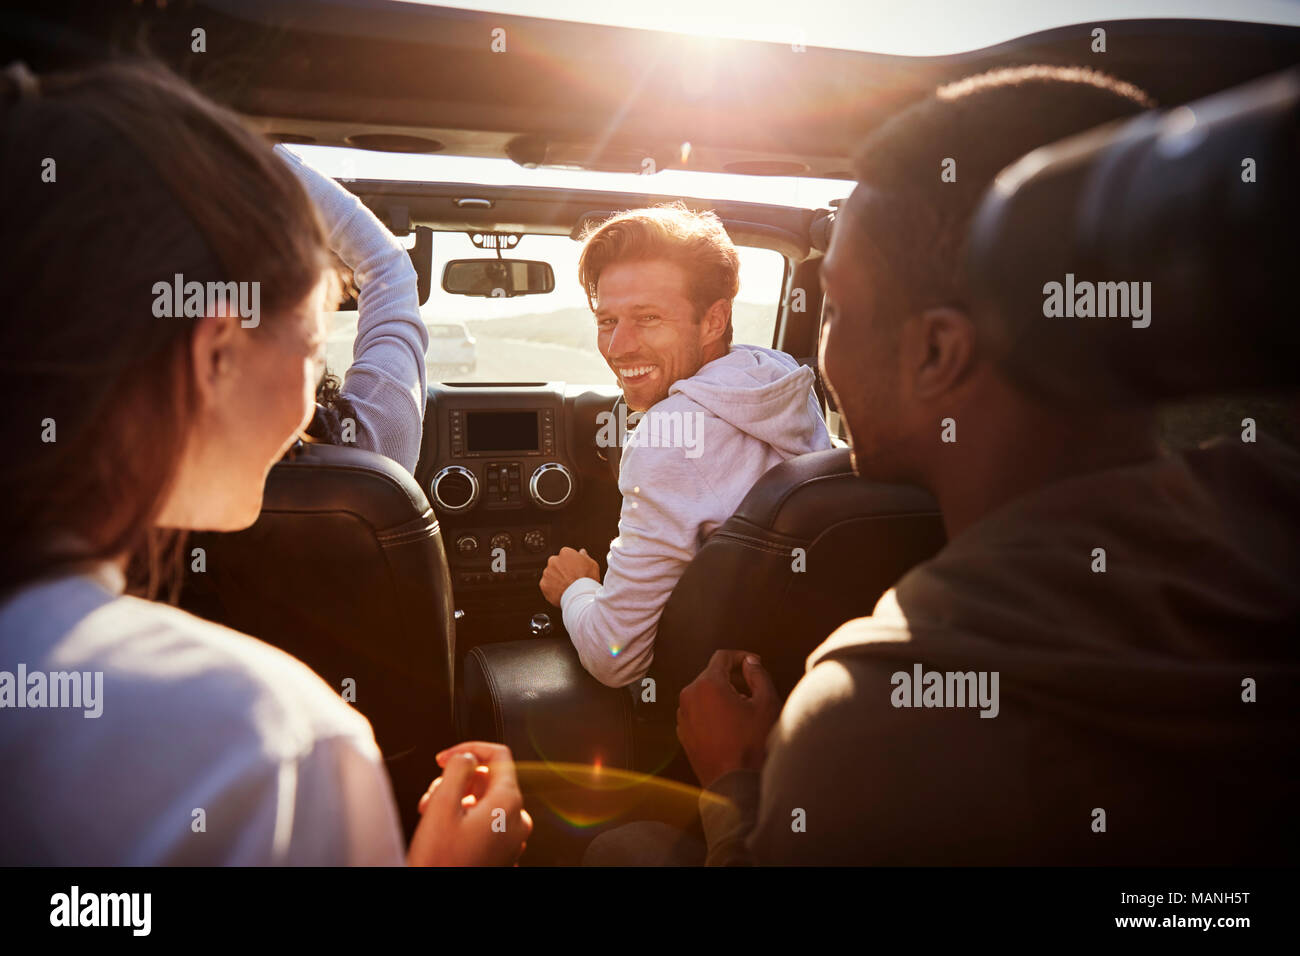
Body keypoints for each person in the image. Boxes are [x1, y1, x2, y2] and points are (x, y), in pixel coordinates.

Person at [670, 64, 1297, 865]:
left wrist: (738, 784)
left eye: (837, 306)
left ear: (935, 352)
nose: (823, 350)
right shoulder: (1272, 509)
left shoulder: (867, 725)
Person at [0, 59, 529, 865]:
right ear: (216, 354)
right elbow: (388, 269)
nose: (309, 390)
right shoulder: (269, 741)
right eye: (315, 345)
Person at [539, 204, 831, 687]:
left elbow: (616, 658)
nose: (618, 347)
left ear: (714, 321)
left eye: (648, 318)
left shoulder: (667, 436)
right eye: (607, 320)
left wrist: (576, 588)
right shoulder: (780, 384)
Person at [274, 144, 430, 473]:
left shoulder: (169, 441)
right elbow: (391, 266)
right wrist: (257, 154)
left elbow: (387, 265)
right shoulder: (380, 441)